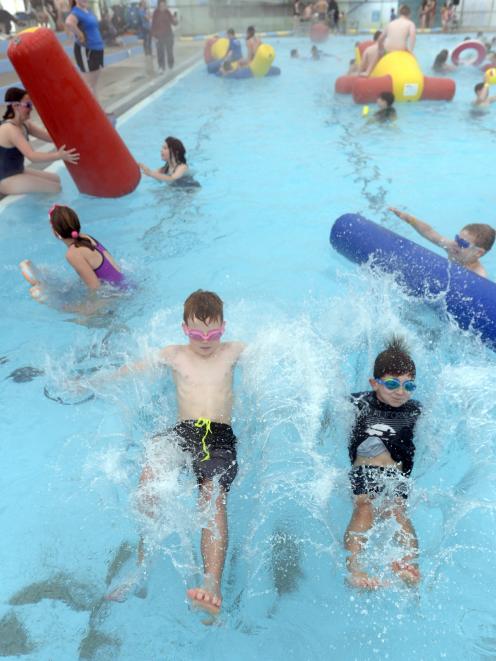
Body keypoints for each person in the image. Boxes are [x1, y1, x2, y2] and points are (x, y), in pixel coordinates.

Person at [104, 290, 245, 616]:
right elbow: (129, 371)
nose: (205, 340)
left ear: (224, 326)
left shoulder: (233, 350)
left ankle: (211, 582)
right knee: (149, 482)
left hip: (218, 438)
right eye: (197, 333)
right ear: (184, 328)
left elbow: (281, 347)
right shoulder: (174, 354)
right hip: (183, 432)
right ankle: (140, 568)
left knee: (212, 499)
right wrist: (90, 383)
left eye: (213, 333)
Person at [344, 337, 422, 589]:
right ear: (374, 383)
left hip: (396, 475)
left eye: (408, 385)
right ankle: (355, 569)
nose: (400, 392)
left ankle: (409, 564)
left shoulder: (414, 410)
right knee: (365, 508)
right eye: (391, 384)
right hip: (364, 470)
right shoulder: (359, 403)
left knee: (396, 510)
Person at [0, 87, 79, 195]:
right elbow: (32, 156)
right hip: (5, 179)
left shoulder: (24, 124)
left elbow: (50, 137)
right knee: (55, 188)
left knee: (57, 179)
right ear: (15, 106)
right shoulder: (10, 129)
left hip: (19, 170)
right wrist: (59, 155)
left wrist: (72, 131)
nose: (31, 108)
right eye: (28, 105)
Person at [389, 207, 495, 278]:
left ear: (478, 253)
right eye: (457, 238)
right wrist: (410, 219)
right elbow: (429, 232)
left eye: (463, 243)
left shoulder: (479, 274)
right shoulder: (452, 247)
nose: (456, 244)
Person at [46, 204, 124, 290]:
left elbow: (96, 288)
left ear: (56, 232)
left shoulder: (72, 254)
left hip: (119, 296)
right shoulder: (87, 237)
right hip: (126, 286)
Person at [65, 0, 105, 97]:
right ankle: (90, 111)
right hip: (87, 49)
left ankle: (98, 111)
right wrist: (80, 34)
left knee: (94, 84)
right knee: (88, 85)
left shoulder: (88, 11)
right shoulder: (76, 12)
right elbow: (69, 22)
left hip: (97, 48)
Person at [151, 0, 177, 73]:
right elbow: (153, 25)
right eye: (161, 5)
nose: (163, 6)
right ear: (158, 5)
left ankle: (171, 65)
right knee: (160, 53)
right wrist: (153, 36)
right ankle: (161, 67)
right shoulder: (155, 13)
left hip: (168, 35)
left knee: (169, 52)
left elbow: (173, 22)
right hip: (159, 36)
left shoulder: (167, 12)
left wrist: (175, 20)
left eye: (164, 5)